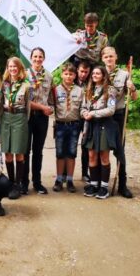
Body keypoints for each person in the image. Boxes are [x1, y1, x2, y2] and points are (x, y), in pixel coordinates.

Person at [101, 46, 138, 198]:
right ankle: (99, 183)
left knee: (120, 150)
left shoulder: (125, 75)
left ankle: (122, 185)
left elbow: (135, 97)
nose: (109, 59)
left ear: (116, 57)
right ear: (102, 59)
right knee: (101, 149)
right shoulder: (98, 72)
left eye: (111, 56)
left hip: (118, 115)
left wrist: (133, 88)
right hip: (102, 115)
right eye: (106, 57)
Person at [81, 66, 119, 199]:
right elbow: (83, 107)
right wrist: (85, 113)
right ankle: (93, 184)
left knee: (103, 156)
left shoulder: (110, 90)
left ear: (104, 75)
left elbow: (111, 110)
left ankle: (103, 187)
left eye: (98, 73)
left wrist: (93, 113)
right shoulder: (89, 90)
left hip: (104, 125)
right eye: (94, 73)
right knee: (91, 155)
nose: (95, 75)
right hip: (91, 125)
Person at [22, 48, 54, 195]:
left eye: (40, 56)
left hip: (42, 118)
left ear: (44, 58)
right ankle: (23, 183)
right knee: (25, 150)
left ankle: (37, 182)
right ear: (30, 57)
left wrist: (50, 109)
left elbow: (51, 100)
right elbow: (24, 100)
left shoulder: (49, 76)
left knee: (38, 151)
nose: (37, 59)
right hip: (27, 115)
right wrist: (42, 107)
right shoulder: (24, 75)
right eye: (35, 56)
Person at [0, 57, 31, 200]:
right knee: (7, 152)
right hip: (6, 117)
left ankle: (18, 184)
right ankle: (11, 182)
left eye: (15, 66)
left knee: (18, 152)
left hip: (19, 118)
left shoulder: (25, 85)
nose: (12, 69)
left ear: (19, 68)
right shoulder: (4, 84)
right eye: (10, 66)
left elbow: (28, 106)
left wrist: (24, 121)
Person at [52, 62, 84, 193]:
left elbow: (82, 108)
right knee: (60, 154)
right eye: (66, 74)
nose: (68, 77)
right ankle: (59, 179)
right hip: (60, 125)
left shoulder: (80, 90)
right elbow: (51, 105)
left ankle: (70, 180)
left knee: (71, 153)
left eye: (71, 74)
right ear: (62, 74)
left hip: (74, 125)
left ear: (75, 75)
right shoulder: (55, 90)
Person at [76, 61, 91, 182]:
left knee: (86, 145)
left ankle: (85, 172)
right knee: (70, 145)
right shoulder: (70, 80)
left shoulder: (93, 82)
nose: (83, 74)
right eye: (81, 71)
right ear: (77, 70)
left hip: (87, 118)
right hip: (74, 118)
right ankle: (65, 173)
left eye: (86, 72)